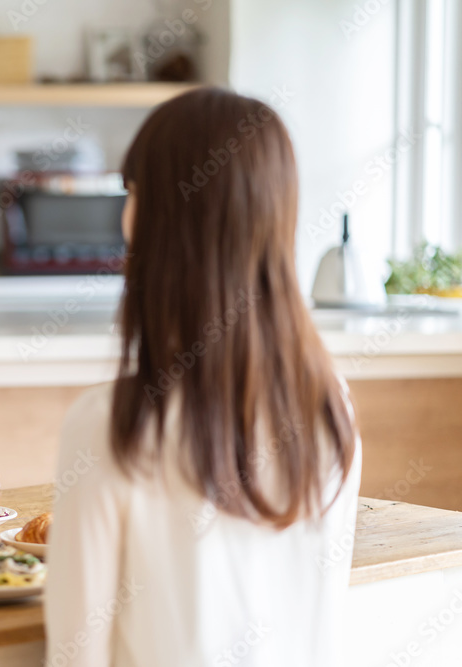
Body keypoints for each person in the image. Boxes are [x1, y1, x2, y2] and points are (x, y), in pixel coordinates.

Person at [44, 87, 362, 666]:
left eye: (134, 193)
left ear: (159, 221)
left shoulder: (110, 425)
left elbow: (75, 656)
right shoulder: (328, 405)